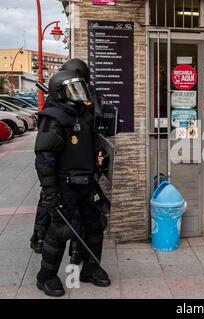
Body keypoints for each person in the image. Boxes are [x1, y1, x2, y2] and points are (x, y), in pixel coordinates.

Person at [34, 69, 110, 297]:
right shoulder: (54, 117)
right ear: (60, 92)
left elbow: (94, 141)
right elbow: (44, 159)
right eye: (73, 89)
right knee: (61, 231)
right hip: (64, 186)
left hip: (86, 184)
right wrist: (50, 193)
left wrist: (99, 155)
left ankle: (90, 268)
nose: (79, 93)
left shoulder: (82, 114)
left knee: (95, 226)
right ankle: (45, 277)